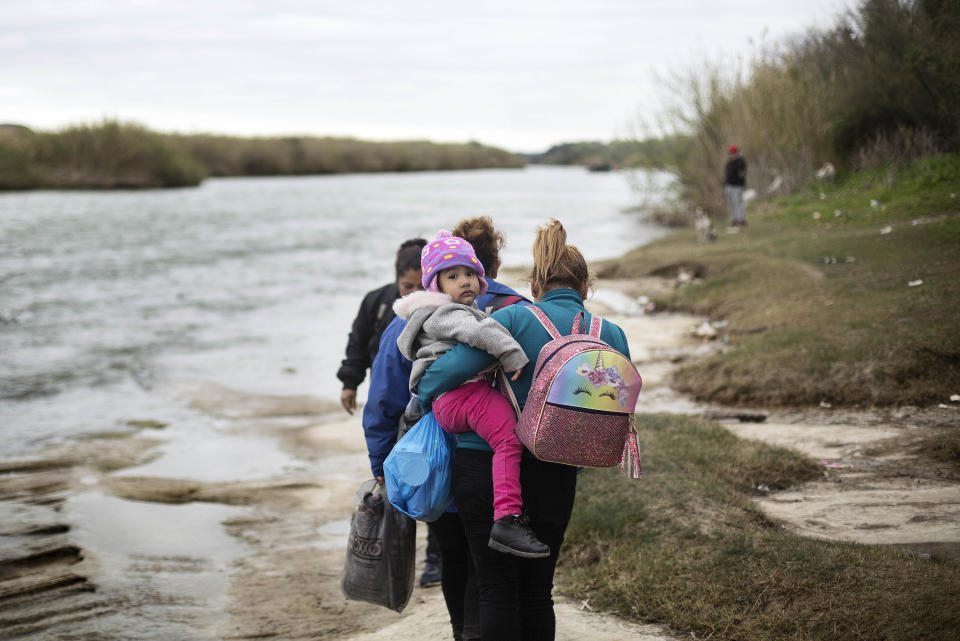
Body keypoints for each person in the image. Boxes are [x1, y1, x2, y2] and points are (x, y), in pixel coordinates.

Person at [416, 219, 631, 641]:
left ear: (534, 285)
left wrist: (422, 387)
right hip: (558, 468)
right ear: (585, 287)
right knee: (538, 591)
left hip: (487, 467)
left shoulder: (513, 318)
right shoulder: (613, 334)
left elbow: (444, 376)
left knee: (496, 588)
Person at [363, 217, 528, 641]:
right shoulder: (519, 310)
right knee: (492, 561)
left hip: (437, 462)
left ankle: (465, 632)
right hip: (503, 459)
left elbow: (383, 400)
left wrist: (381, 462)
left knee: (454, 554)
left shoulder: (409, 321)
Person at [393, 230, 549, 558]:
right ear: (436, 286)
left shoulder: (450, 311)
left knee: (502, 439)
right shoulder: (447, 313)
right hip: (462, 395)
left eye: (469, 274)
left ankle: (508, 510)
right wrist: (511, 353)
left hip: (451, 399)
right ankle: (507, 516)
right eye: (452, 276)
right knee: (509, 438)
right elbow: (478, 331)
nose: (464, 281)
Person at [336, 237, 426, 415]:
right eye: (407, 286)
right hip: (384, 392)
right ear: (397, 280)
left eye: (422, 286)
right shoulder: (375, 301)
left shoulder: (441, 308)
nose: (415, 293)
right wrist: (349, 384)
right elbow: (357, 342)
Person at [724, 144, 747, 227]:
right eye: (730, 153)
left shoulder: (741, 161)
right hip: (729, 186)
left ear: (736, 153)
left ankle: (740, 220)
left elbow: (742, 174)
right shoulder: (729, 162)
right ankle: (734, 220)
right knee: (732, 204)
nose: (731, 155)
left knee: (738, 203)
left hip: (738, 186)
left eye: (733, 153)